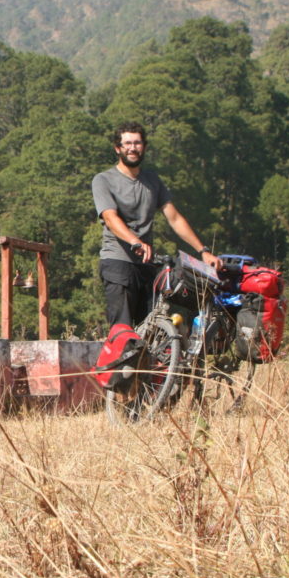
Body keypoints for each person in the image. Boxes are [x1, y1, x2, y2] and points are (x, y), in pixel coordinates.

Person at [92, 121, 222, 385]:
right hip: (118, 262)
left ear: (144, 147)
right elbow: (110, 218)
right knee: (123, 332)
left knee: (155, 333)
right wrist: (135, 241)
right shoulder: (104, 180)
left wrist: (203, 251)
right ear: (118, 148)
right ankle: (117, 392)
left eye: (137, 143)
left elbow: (174, 218)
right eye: (127, 143)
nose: (132, 148)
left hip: (147, 266)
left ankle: (150, 394)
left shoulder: (152, 181)